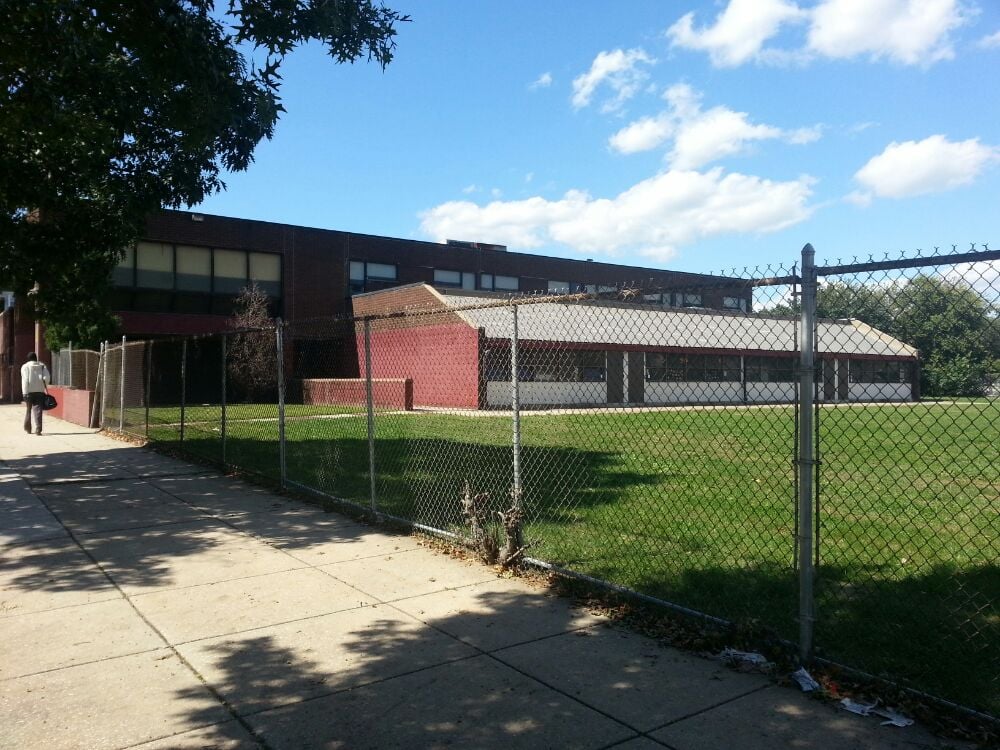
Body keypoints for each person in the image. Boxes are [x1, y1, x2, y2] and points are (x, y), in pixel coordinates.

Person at [21, 352, 50, 435]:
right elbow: (47, 378)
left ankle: (28, 429)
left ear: (28, 359)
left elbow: (26, 379)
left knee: (28, 410)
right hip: (40, 391)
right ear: (36, 358)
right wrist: (43, 386)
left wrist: (25, 391)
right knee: (38, 410)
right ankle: (38, 429)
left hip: (28, 391)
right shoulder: (42, 366)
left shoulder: (25, 366)